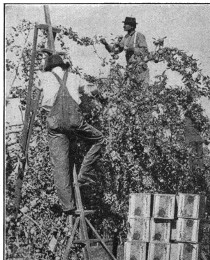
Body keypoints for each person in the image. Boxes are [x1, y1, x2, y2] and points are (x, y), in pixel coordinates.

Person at [34, 55, 105, 215]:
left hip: (55, 123)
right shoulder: (74, 77)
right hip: (74, 121)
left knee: (60, 164)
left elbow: (38, 86)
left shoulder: (43, 77)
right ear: (63, 66)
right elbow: (90, 89)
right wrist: (99, 94)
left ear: (48, 68)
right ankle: (84, 174)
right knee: (99, 139)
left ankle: (68, 206)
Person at [100, 17, 149, 87]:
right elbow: (114, 52)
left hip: (140, 69)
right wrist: (106, 44)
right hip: (130, 69)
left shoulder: (139, 35)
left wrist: (131, 48)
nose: (124, 26)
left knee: (141, 90)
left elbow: (144, 51)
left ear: (132, 26)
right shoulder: (125, 37)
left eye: (126, 24)